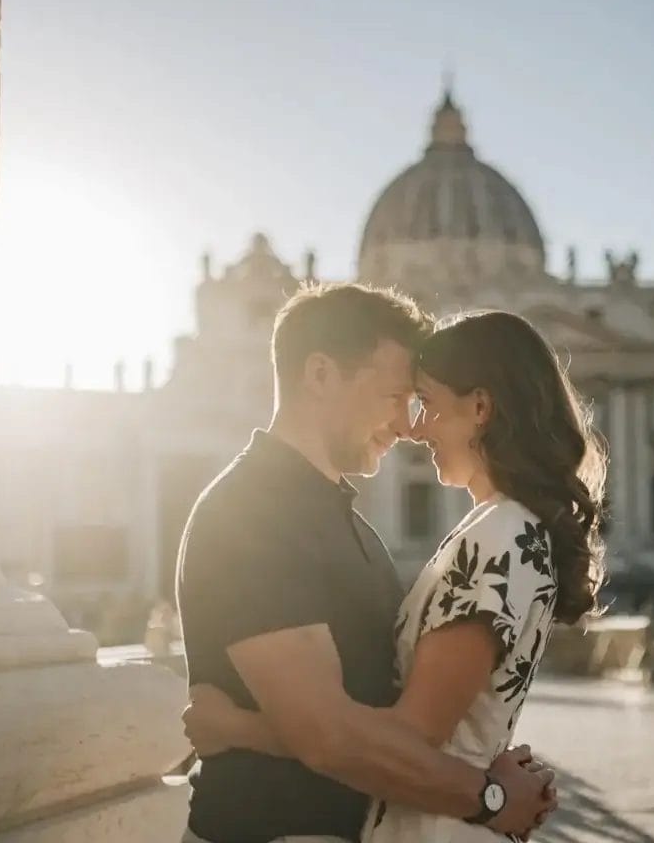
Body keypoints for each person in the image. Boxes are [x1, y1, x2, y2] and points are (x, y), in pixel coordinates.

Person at [176, 287, 559, 843]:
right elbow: (328, 736)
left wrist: (235, 727)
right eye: (395, 396)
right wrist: (488, 795)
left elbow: (389, 718)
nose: (409, 425)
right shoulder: (250, 512)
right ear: (321, 374)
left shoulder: (355, 529)